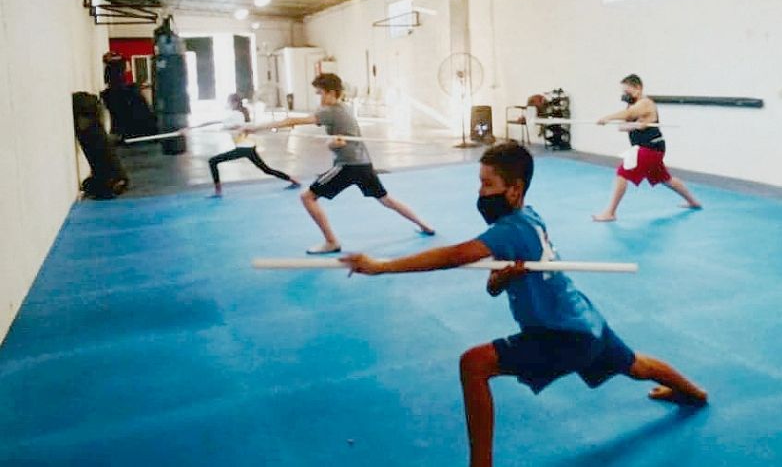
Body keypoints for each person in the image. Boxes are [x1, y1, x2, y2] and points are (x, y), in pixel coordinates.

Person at [340, 142, 708, 467]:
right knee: (633, 364)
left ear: (514, 190)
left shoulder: (509, 229)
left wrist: (382, 267)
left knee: (474, 364)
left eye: (487, 184)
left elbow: (454, 255)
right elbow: (495, 285)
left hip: (562, 335)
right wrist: (501, 280)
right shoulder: (530, 217)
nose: (480, 192)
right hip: (583, 319)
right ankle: (693, 393)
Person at [247, 73, 434, 254]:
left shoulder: (330, 111)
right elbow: (339, 142)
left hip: (348, 166)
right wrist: (333, 144)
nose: (319, 99)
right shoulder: (344, 108)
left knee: (307, 197)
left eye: (320, 93)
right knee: (385, 199)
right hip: (363, 163)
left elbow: (293, 120)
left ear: (330, 92)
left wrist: (254, 127)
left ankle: (331, 242)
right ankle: (425, 225)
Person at [592, 74, 701, 221]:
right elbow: (623, 126)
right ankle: (693, 202)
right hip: (648, 148)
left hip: (650, 147)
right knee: (665, 178)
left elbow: (629, 115)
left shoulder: (645, 103)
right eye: (623, 92)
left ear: (638, 88)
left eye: (627, 91)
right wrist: (635, 125)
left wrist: (608, 118)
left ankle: (610, 213)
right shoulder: (632, 105)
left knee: (622, 173)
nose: (625, 95)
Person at [207, 93, 300, 198]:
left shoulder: (236, 114)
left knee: (212, 161)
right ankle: (294, 180)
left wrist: (228, 127)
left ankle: (218, 191)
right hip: (249, 147)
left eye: (229, 102)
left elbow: (221, 123)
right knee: (266, 170)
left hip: (243, 148)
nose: (228, 104)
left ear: (234, 103)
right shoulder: (240, 113)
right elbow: (238, 126)